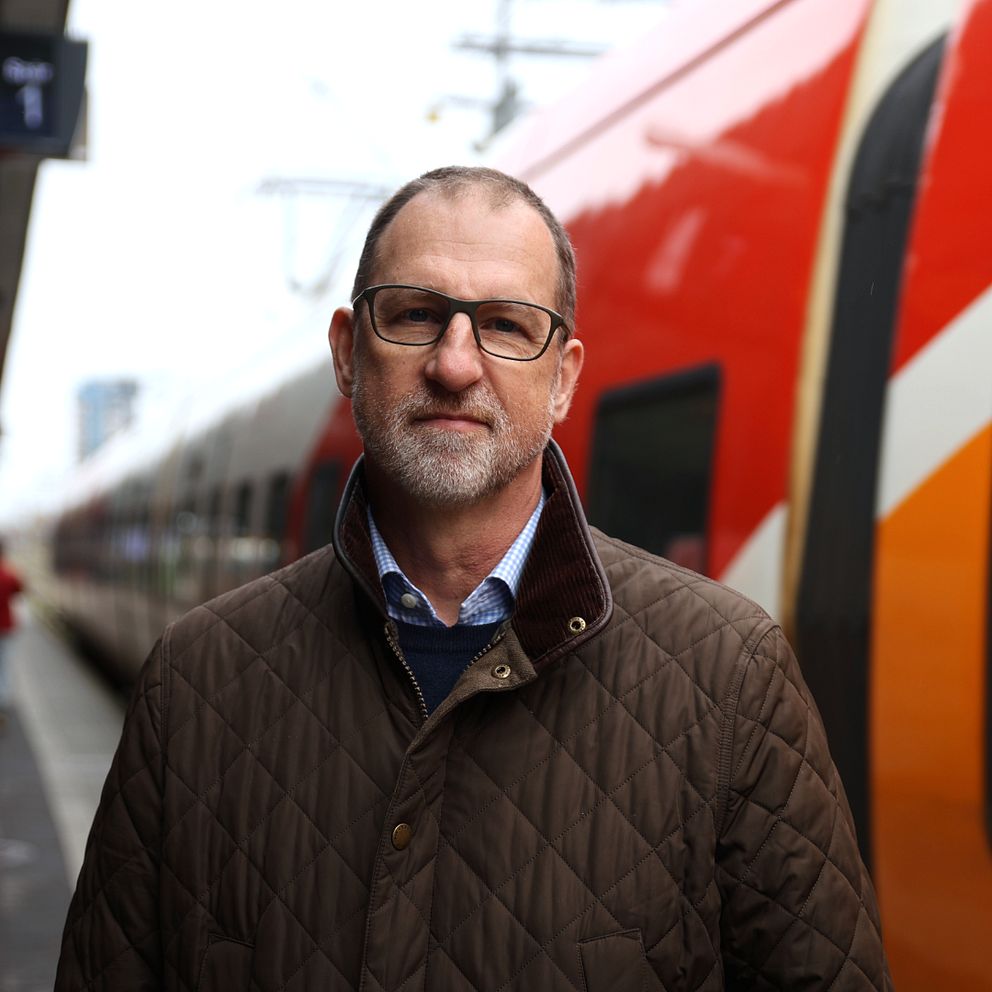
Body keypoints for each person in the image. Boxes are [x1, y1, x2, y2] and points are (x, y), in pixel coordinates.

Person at [56, 167, 891, 991]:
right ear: (348, 353)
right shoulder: (193, 685)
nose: (455, 365)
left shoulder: (733, 680)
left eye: (506, 325)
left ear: (562, 378)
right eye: (416, 315)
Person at [0, 539, 24, 730]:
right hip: (5, 627)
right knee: (3, 666)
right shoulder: (8, 574)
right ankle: (2, 705)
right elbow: (19, 589)